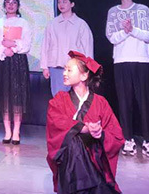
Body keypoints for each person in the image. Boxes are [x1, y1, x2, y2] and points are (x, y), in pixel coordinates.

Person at [46, 51, 124, 194]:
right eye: (65, 69)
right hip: (69, 162)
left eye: (69, 70)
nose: (64, 73)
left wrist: (100, 133)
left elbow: (116, 135)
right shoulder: (59, 99)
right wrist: (82, 128)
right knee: (73, 143)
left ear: (84, 76)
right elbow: (56, 123)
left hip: (95, 159)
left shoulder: (101, 103)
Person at [105, 0, 149, 157]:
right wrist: (126, 32)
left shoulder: (143, 10)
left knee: (144, 101)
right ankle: (128, 139)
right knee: (124, 101)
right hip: (121, 60)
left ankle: (148, 140)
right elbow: (111, 37)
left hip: (141, 59)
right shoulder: (113, 12)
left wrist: (132, 29)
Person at [0, 0, 32, 144]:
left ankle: (16, 131)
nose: (11, 5)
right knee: (5, 96)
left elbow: (27, 44)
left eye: (14, 2)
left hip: (19, 62)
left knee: (17, 97)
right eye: (8, 2)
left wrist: (13, 46)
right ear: (4, 5)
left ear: (18, 5)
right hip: (3, 62)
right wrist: (4, 50)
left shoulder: (23, 23)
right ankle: (7, 131)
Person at [41, 0, 94, 96]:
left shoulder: (81, 24)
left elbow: (88, 47)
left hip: (76, 69)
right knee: (58, 98)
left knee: (75, 97)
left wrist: (88, 68)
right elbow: (45, 45)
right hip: (57, 68)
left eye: (64, 2)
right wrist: (44, 67)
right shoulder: (52, 24)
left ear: (72, 4)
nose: (61, 4)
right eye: (59, 2)